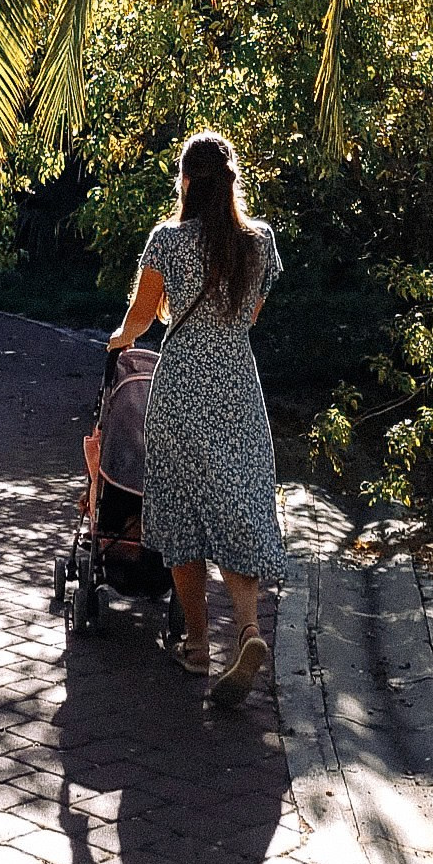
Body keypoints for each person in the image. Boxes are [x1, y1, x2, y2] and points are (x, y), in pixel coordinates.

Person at [107, 130, 287, 706]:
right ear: (232, 179)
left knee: (182, 512)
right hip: (237, 385)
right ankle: (251, 630)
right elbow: (252, 313)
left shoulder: (167, 241)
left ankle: (199, 645)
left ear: (185, 181)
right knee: (239, 504)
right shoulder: (259, 242)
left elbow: (140, 319)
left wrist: (118, 339)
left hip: (182, 387)